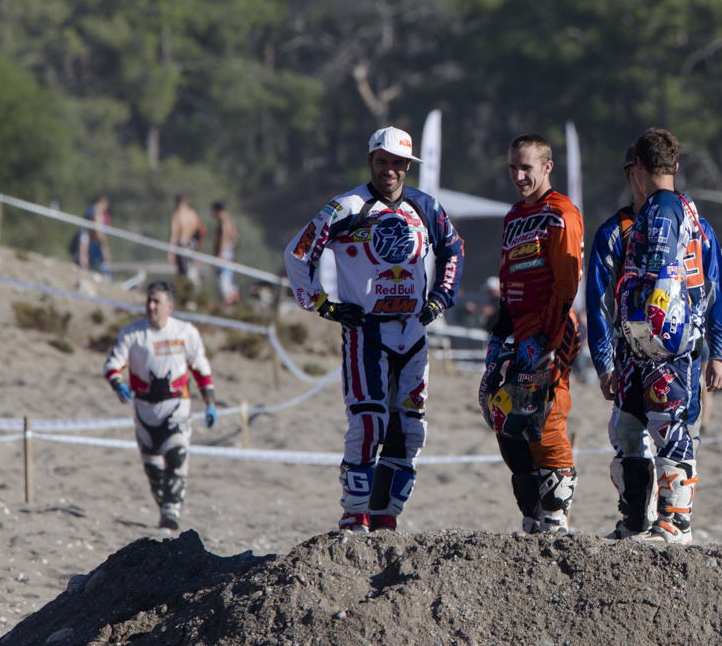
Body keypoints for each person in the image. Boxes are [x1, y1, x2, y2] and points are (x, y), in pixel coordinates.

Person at [284, 126, 463, 532]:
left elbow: (454, 249)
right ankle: (354, 515)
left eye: (398, 164)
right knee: (368, 423)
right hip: (366, 332)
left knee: (410, 427)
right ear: (371, 162)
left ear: (407, 166)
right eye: (382, 162)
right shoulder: (345, 207)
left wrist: (441, 297)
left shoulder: (427, 207)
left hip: (414, 331)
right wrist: (322, 303)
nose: (390, 171)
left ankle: (386, 518)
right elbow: (297, 253)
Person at [613, 127, 722, 544]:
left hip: (663, 340)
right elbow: (710, 286)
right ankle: (656, 518)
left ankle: (675, 521)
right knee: (649, 424)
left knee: (668, 424)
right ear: (675, 166)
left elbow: (658, 270)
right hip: (679, 336)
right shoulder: (689, 209)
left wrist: (646, 325)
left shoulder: (661, 210)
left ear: (640, 167)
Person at [479, 133, 584, 534]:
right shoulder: (512, 218)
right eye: (513, 168)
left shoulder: (562, 213)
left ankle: (556, 518)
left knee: (544, 419)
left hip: (551, 332)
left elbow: (566, 284)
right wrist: (499, 332)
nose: (519, 176)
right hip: (516, 333)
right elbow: (509, 281)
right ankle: (532, 513)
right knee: (507, 421)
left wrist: (545, 338)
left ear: (547, 167)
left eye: (527, 167)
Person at [103, 280, 218, 530]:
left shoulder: (186, 332)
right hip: (144, 408)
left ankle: (172, 513)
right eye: (149, 301)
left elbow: (201, 368)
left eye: (158, 302)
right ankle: (164, 509)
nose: (152, 306)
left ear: (170, 306)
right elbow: (112, 364)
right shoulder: (132, 334)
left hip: (176, 405)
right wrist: (117, 383)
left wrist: (210, 402)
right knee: (154, 471)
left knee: (176, 455)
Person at [72, 195, 111, 280]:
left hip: (96, 239)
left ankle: (106, 276)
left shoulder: (104, 215)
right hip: (89, 235)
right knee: (84, 253)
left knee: (102, 257)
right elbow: (92, 225)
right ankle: (84, 270)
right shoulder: (93, 210)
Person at [169, 195, 205, 283]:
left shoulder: (177, 215)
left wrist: (170, 252)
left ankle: (191, 290)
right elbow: (200, 233)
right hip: (193, 244)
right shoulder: (193, 214)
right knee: (191, 269)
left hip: (183, 244)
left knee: (185, 272)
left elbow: (175, 234)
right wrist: (199, 251)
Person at [211, 202, 241, 305]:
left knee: (224, 278)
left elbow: (224, 236)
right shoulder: (229, 220)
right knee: (228, 278)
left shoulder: (224, 220)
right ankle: (231, 298)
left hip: (224, 252)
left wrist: (221, 252)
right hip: (228, 252)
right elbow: (235, 238)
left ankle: (228, 300)